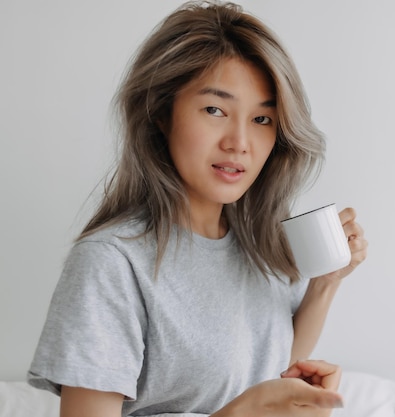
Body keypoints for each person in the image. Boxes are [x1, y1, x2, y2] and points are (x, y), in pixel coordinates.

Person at [26, 1, 367, 416]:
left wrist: (326, 282)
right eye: (215, 110)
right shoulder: (111, 263)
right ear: (160, 114)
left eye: (262, 119)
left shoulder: (262, 249)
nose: (240, 142)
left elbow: (270, 368)